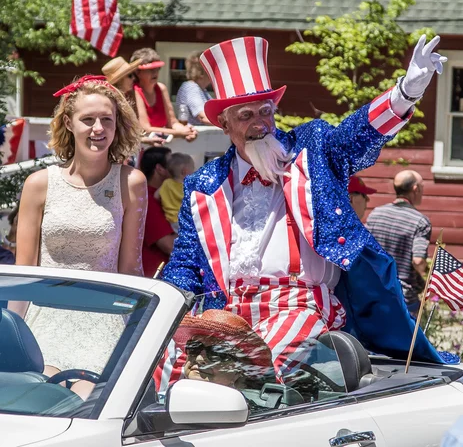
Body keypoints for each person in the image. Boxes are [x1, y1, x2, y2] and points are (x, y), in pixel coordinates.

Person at [163, 34, 454, 369]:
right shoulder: (203, 184)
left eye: (266, 111)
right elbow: (185, 263)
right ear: (224, 123)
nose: (260, 124)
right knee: (162, 369)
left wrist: (405, 93)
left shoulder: (310, 149)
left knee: (256, 369)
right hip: (223, 314)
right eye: (246, 115)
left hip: (300, 306)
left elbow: (355, 135)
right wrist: (165, 310)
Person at [15, 75, 147, 374]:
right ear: (69, 123)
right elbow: (25, 271)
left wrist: (139, 334)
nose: (98, 129)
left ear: (118, 125)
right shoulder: (38, 184)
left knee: (87, 398)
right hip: (45, 319)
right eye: (87, 119)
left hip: (105, 319)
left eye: (107, 119)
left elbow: (130, 269)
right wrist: (12, 338)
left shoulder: (131, 182)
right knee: (39, 394)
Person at [366, 169, 430, 314]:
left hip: (375, 292)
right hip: (403, 298)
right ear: (415, 189)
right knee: (408, 337)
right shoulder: (420, 221)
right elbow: (418, 261)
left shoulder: (375, 214)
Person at [174, 309, 276, 391]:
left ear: (239, 370)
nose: (199, 359)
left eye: (216, 353)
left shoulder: (247, 412)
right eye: (194, 347)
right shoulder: (164, 403)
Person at [130, 48, 197, 142]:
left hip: (162, 146)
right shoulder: (134, 91)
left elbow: (172, 122)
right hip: (141, 150)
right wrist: (180, 133)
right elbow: (145, 129)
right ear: (138, 72)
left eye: (157, 68)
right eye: (150, 70)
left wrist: (187, 131)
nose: (155, 73)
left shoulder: (161, 89)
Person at [139, 146, 177, 277]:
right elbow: (169, 245)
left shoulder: (163, 195)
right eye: (172, 163)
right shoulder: (146, 199)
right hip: (155, 280)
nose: (176, 166)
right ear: (160, 169)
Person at [157, 153, 195, 233]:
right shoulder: (189, 186)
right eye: (193, 169)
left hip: (171, 221)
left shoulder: (166, 183)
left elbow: (156, 196)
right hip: (185, 220)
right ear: (185, 171)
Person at [176, 51, 212, 125]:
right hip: (196, 134)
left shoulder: (202, 90)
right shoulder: (191, 87)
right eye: (211, 68)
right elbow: (203, 117)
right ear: (201, 72)